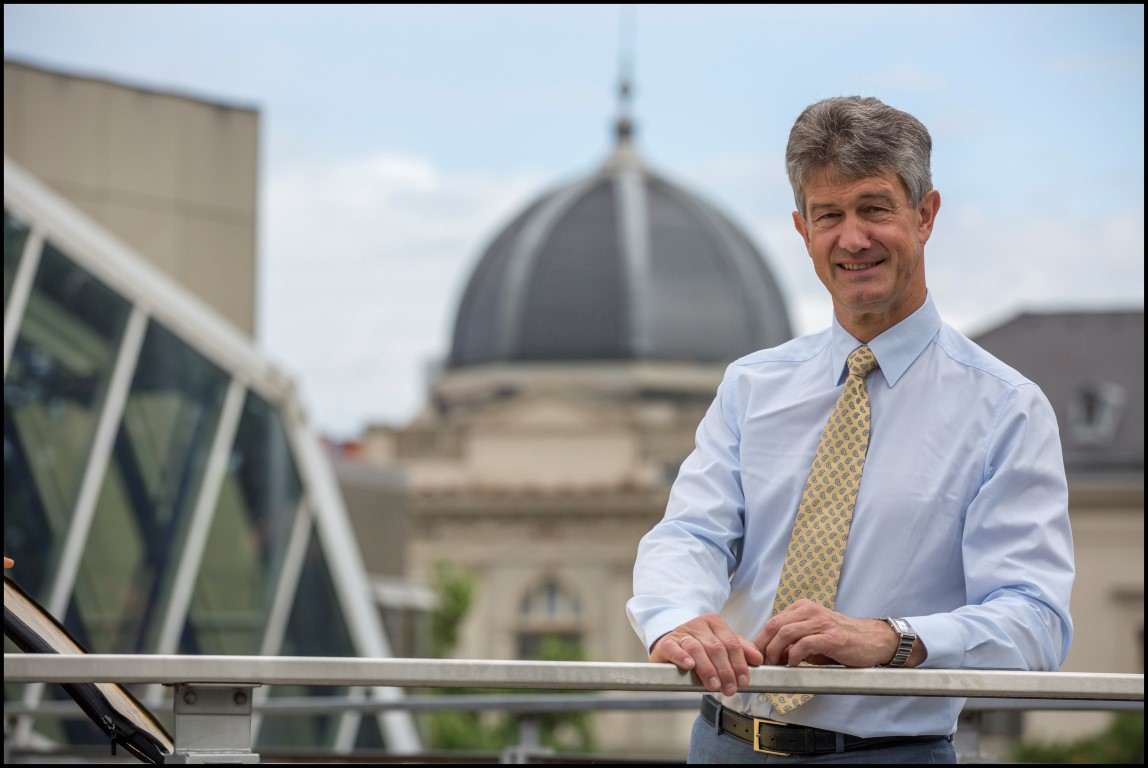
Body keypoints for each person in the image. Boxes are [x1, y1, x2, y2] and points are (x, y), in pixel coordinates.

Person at [626, 95, 1075, 764]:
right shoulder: (751, 387)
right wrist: (676, 618)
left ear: (925, 215)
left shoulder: (1006, 408)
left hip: (894, 754)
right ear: (802, 228)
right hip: (724, 746)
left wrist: (892, 640)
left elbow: (1036, 620)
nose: (852, 238)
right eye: (828, 215)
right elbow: (690, 536)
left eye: (874, 208)